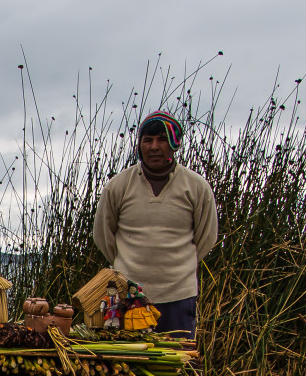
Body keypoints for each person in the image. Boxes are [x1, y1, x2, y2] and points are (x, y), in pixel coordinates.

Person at [92, 110, 220, 339]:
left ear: (175, 144)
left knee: (180, 368)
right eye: (147, 140)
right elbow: (103, 236)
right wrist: (128, 268)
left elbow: (206, 237)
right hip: (128, 299)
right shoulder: (119, 186)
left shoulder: (197, 187)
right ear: (139, 144)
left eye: (162, 139)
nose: (154, 146)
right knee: (128, 371)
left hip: (179, 296)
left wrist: (178, 267)